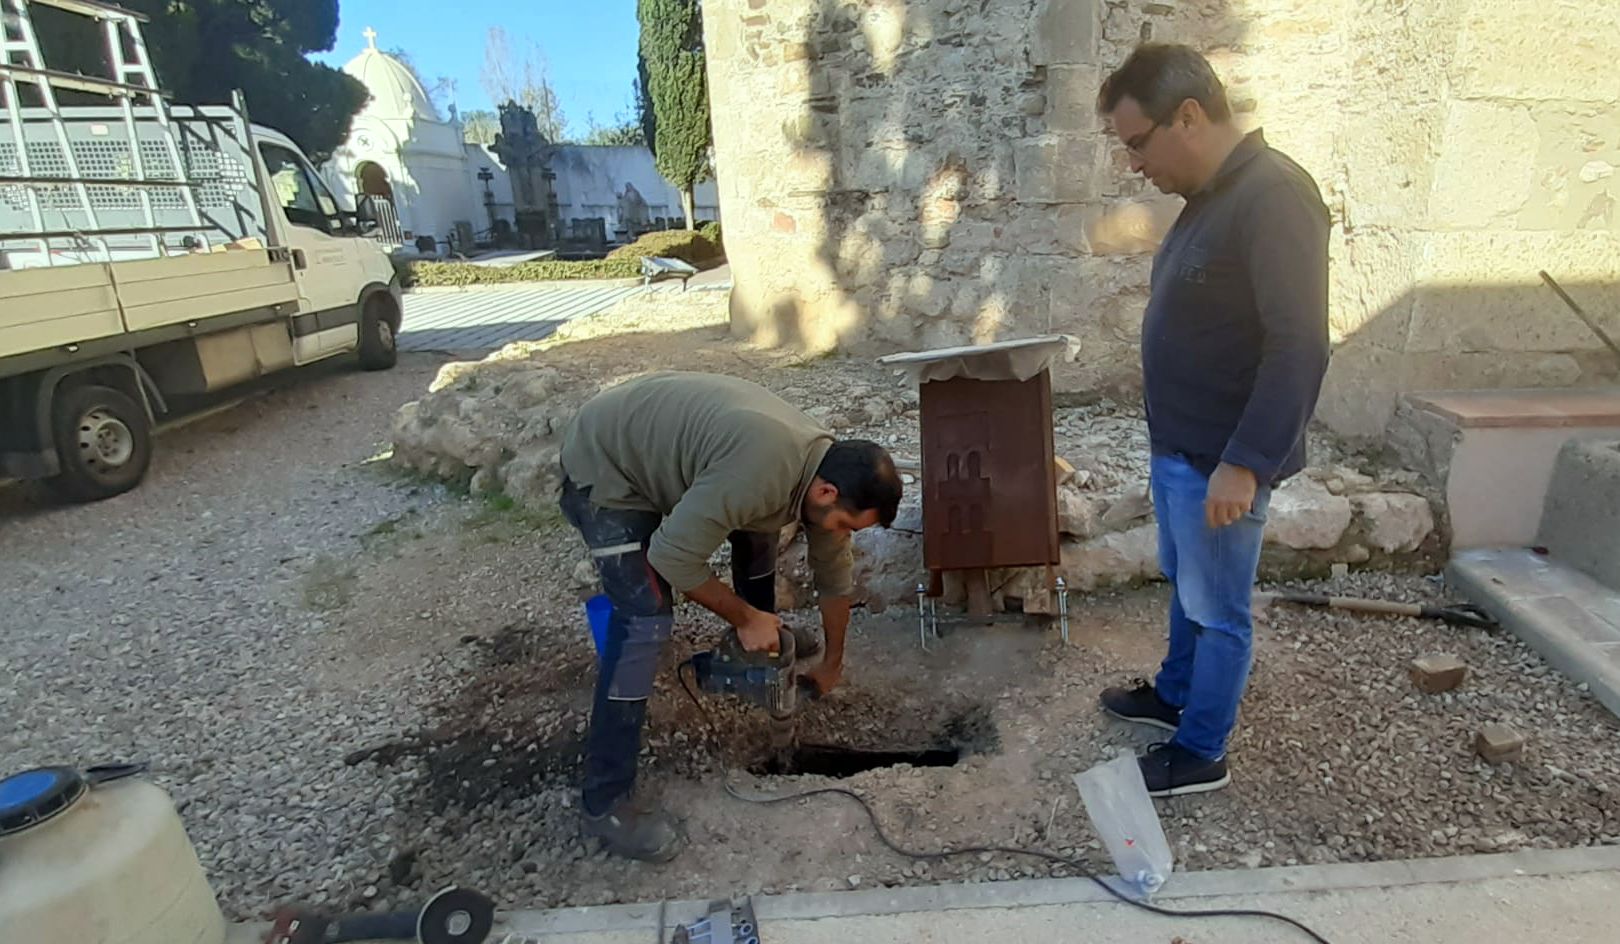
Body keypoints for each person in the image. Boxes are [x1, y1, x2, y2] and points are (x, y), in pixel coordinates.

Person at [1093, 45, 1330, 797]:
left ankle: (1201, 752)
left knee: (1219, 609)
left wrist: (1248, 460)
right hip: (1181, 450)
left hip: (1221, 460)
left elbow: (1298, 343)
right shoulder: (1214, 196)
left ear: (1188, 116)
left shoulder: (1275, 196)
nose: (1134, 165)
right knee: (1186, 586)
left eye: (1137, 143)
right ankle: (1173, 694)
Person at [557, 370, 903, 860]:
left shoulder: (821, 473)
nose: (841, 532)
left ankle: (751, 662)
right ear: (827, 492)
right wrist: (746, 617)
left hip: (679, 456)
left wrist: (832, 662)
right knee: (645, 621)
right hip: (608, 465)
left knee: (759, 534)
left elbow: (834, 571)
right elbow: (671, 558)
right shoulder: (759, 470)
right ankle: (605, 800)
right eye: (846, 523)